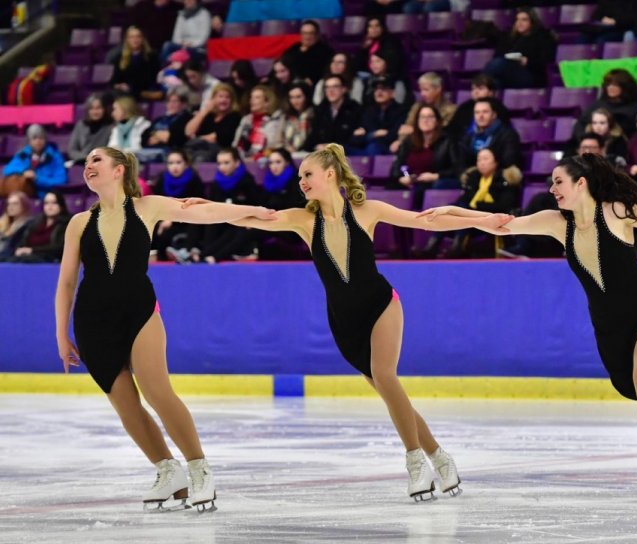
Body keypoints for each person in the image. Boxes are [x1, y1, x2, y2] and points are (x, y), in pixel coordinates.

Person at [186, 143, 510, 500]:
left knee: (386, 377)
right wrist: (211, 208)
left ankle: (416, 462)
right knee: (390, 394)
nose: (302, 182)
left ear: (330, 174)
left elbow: (426, 219)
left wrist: (482, 220)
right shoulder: (304, 220)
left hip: (381, 305)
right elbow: (250, 219)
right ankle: (439, 456)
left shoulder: (367, 210)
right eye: (299, 177)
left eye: (307, 175)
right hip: (344, 321)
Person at [420, 152, 637, 499]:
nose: (552, 188)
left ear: (581, 183)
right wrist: (453, 214)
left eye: (558, 181)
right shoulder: (556, 223)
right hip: (609, 330)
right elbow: (500, 224)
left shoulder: (617, 211)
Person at [54, 146, 275, 512]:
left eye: (96, 160)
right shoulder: (79, 222)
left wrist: (251, 211)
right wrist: (62, 335)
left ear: (120, 169)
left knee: (158, 392)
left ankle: (199, 469)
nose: (87, 166)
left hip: (139, 311)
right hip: (92, 322)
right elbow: (65, 283)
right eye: (85, 162)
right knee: (126, 406)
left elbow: (202, 212)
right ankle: (167, 471)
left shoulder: (148, 207)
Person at [150, 149, 205, 263]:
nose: (174, 167)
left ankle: (187, 254)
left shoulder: (193, 179)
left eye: (178, 162)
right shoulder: (162, 179)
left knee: (192, 226)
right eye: (171, 163)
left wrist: (172, 219)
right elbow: (157, 203)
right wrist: (163, 219)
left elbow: (197, 207)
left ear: (186, 164)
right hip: (166, 219)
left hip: (189, 219)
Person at [483, 8, 557, 89]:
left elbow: (546, 62)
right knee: (495, 83)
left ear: (532, 22)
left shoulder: (543, 38)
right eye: (517, 20)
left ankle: (479, 84)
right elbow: (497, 55)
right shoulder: (508, 37)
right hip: (508, 71)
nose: (519, 23)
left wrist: (526, 61)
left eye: (524, 20)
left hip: (530, 74)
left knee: (499, 64)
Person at [2, 189, 70, 263]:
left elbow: (59, 248)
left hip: (49, 259)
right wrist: (20, 249)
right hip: (28, 257)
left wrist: (32, 250)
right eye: (46, 203)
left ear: (61, 205)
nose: (50, 206)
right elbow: (23, 240)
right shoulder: (35, 222)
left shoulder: (66, 223)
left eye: (54, 203)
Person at [0, 124, 67, 199]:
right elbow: (7, 170)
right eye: (34, 138)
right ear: (29, 141)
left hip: (46, 195)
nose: (38, 141)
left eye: (41, 138)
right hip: (25, 193)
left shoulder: (55, 157)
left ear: (45, 140)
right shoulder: (23, 154)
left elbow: (61, 180)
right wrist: (24, 171)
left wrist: (37, 179)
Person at [111, 26, 161, 100]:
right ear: (127, 40)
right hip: (125, 92)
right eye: (132, 37)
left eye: (138, 37)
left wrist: (132, 87)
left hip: (145, 90)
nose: (135, 40)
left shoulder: (151, 56)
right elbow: (115, 79)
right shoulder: (119, 58)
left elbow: (152, 77)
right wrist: (119, 85)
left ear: (143, 39)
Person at [68, 95, 115, 166]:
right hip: (83, 161)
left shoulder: (111, 126)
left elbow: (112, 150)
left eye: (98, 108)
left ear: (104, 109)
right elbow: (72, 150)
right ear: (88, 111)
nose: (95, 112)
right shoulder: (80, 125)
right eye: (92, 108)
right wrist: (87, 158)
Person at [0, 191, 34, 259]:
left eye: (15, 204)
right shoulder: (2, 222)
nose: (11, 207)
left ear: (24, 205)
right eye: (9, 204)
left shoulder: (28, 224)